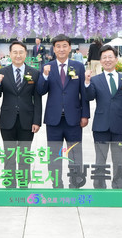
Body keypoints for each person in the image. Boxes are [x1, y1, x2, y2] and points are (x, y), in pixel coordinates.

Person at [36, 34, 90, 188]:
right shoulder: (47, 67)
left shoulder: (78, 67)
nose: (61, 49)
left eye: (64, 46)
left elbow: (84, 93)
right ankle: (56, 183)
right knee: (54, 153)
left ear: (70, 48)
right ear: (54, 49)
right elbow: (40, 91)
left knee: (75, 152)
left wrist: (85, 115)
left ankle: (75, 182)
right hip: (54, 119)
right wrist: (45, 76)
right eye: (58, 46)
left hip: (74, 118)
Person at [0, 41, 42, 188]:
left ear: (25, 54)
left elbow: (37, 99)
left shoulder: (34, 73)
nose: (18, 55)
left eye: (21, 52)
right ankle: (10, 185)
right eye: (15, 52)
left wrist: (37, 121)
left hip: (27, 120)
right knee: (9, 154)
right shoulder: (2, 72)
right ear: (10, 54)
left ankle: (24, 184)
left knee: (25, 155)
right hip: (8, 120)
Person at [84, 45, 122, 189]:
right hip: (101, 125)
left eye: (110, 57)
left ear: (116, 60)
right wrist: (87, 82)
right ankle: (99, 185)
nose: (107, 60)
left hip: (119, 125)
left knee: (118, 159)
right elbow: (89, 97)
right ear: (100, 61)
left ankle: (118, 186)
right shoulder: (95, 79)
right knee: (100, 159)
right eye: (104, 57)